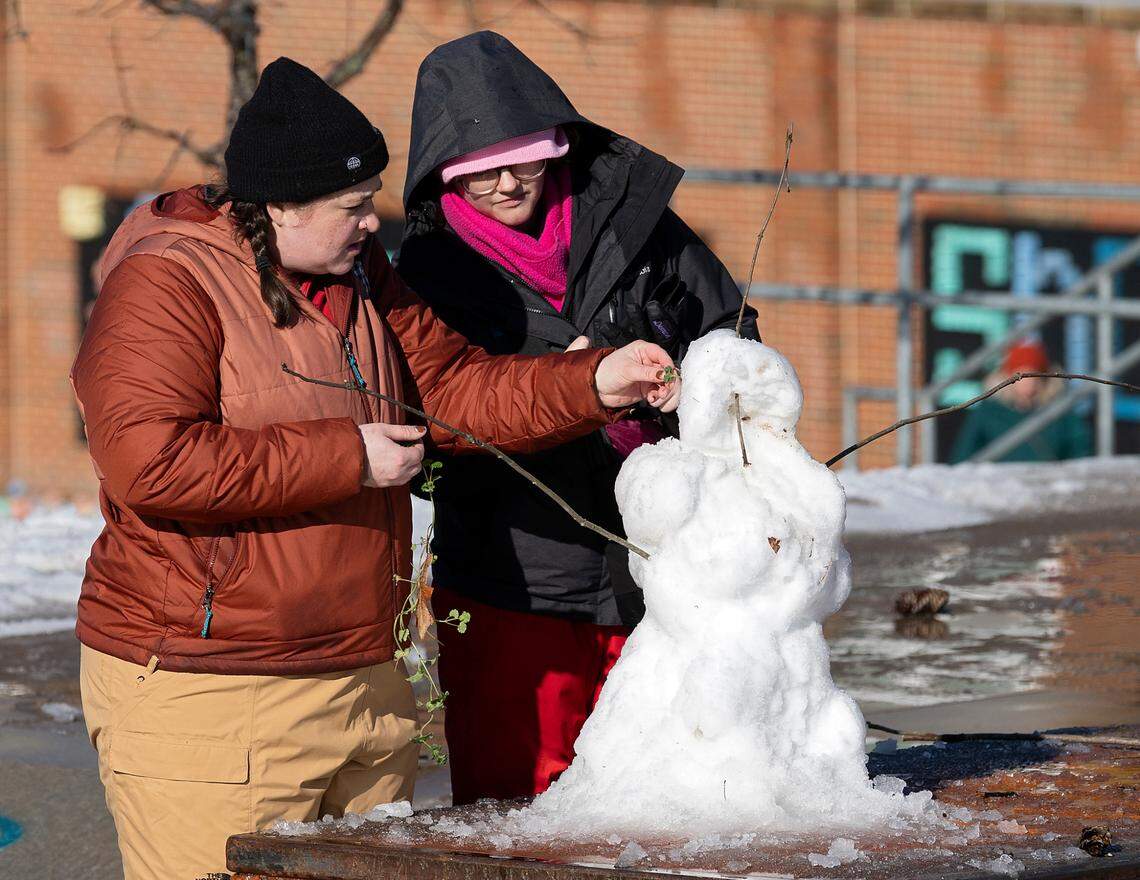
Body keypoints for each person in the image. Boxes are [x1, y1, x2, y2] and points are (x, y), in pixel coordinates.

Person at [70, 57, 678, 880]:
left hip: (361, 682)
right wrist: (346, 455)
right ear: (278, 206)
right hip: (208, 691)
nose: (371, 224)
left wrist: (592, 382)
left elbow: (455, 389)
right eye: (352, 207)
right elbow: (151, 459)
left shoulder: (359, 277)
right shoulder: (167, 284)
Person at [397, 31, 759, 805]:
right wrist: (576, 382)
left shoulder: (636, 224)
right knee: (518, 821)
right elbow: (437, 427)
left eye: (526, 158)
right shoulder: (425, 276)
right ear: (443, 176)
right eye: (477, 172)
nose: (505, 183)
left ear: (557, 146)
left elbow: (731, 330)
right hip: (513, 588)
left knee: (662, 806)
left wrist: (690, 379)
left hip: (659, 566)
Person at [950, 339, 1092, 463]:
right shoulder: (988, 412)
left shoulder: (1061, 413)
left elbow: (1080, 452)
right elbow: (964, 455)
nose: (1027, 382)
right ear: (1008, 376)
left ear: (1043, 377)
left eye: (1032, 374)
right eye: (1020, 375)